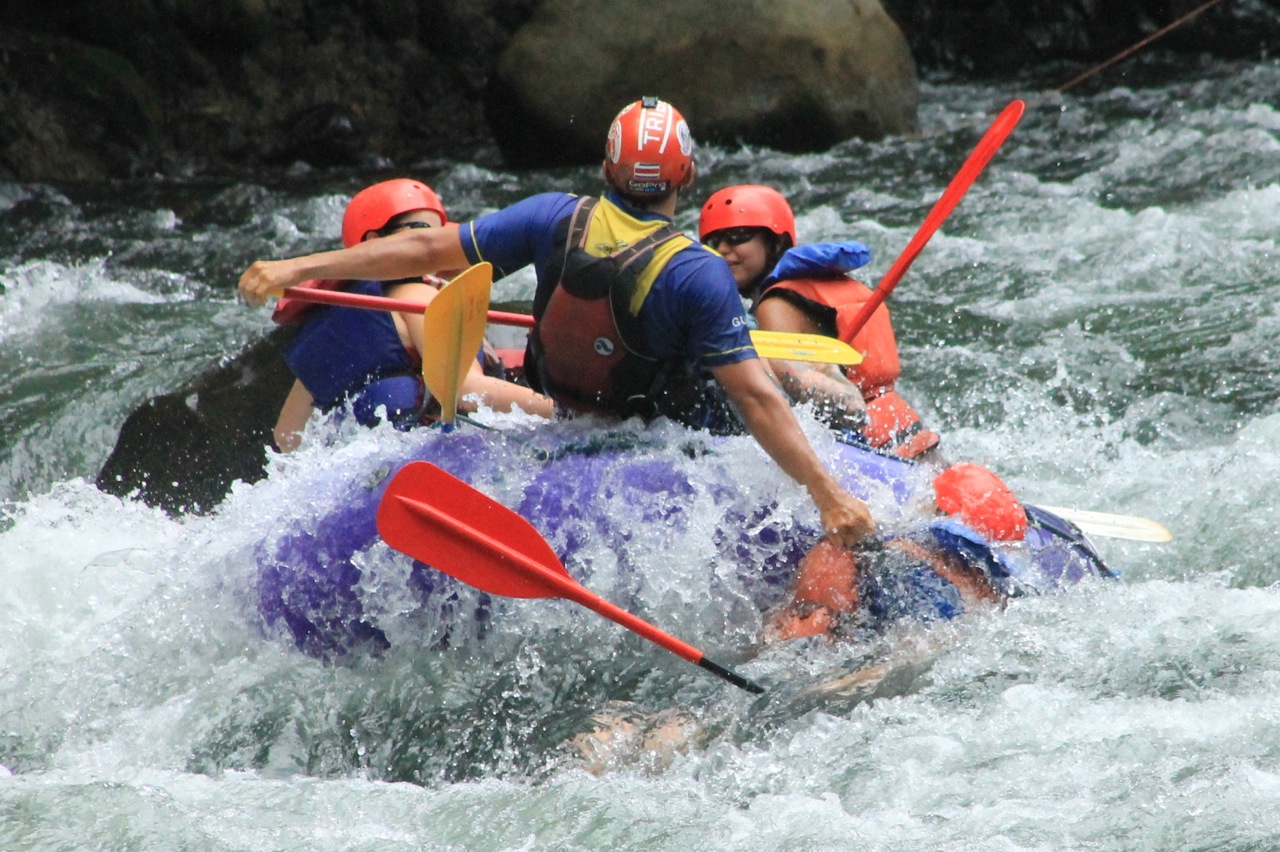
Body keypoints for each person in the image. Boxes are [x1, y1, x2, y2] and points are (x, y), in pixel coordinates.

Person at [239, 98, 876, 549]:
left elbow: (425, 249)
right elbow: (755, 400)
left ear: (607, 169)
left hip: (567, 417)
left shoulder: (551, 217)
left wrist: (298, 267)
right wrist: (828, 494)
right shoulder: (698, 273)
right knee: (764, 373)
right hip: (663, 435)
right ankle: (850, 411)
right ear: (686, 175)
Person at [267, 178, 554, 452]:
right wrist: (562, 412)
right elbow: (467, 391)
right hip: (431, 458)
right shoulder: (416, 296)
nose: (434, 246)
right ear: (374, 241)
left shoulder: (333, 323)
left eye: (440, 235)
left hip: (367, 469)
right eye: (421, 232)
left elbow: (286, 436)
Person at [699, 184, 942, 463]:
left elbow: (815, 401)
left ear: (775, 243)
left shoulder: (774, 306)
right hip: (905, 428)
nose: (723, 249)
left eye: (738, 236)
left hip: (874, 449)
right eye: (714, 242)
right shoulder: (824, 284)